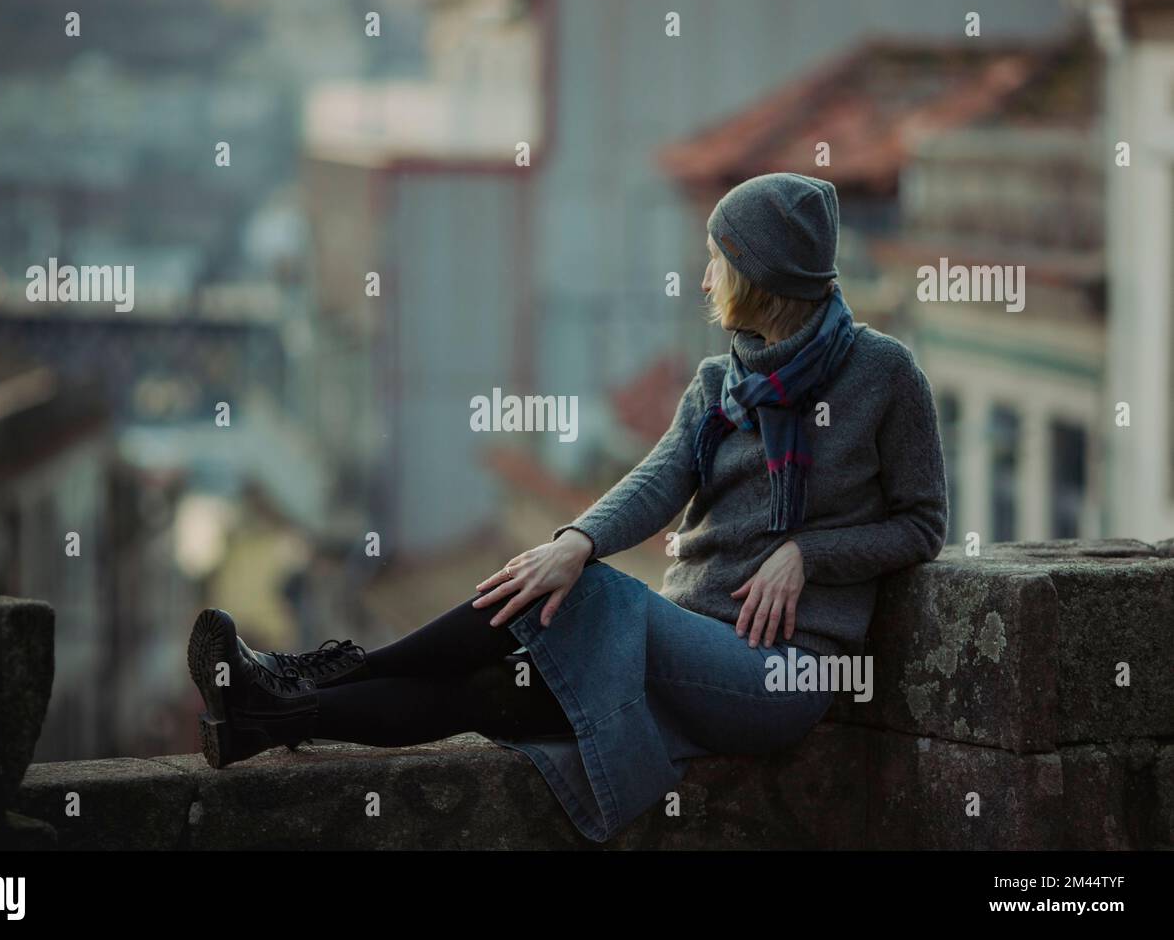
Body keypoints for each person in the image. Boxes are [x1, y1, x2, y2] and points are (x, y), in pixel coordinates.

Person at [186, 172, 948, 843]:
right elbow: (655, 484)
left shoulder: (883, 375)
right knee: (494, 691)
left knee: (591, 594)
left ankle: (305, 676)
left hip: (782, 675)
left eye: (716, 258)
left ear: (757, 273)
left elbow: (922, 524)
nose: (703, 275)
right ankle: (272, 714)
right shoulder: (720, 382)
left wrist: (807, 554)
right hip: (682, 640)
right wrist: (577, 539)